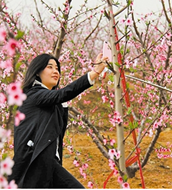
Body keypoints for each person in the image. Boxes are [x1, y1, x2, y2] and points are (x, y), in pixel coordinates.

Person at [8, 53, 108, 188]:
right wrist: (94, 73)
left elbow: (59, 98)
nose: (55, 71)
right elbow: (64, 93)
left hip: (48, 163)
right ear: (37, 72)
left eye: (57, 68)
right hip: (36, 163)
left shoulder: (52, 102)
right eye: (50, 67)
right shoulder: (32, 95)